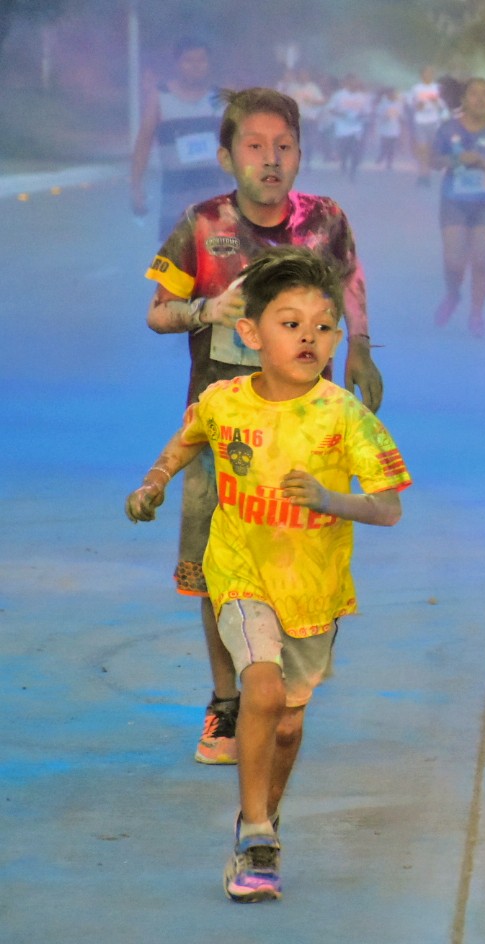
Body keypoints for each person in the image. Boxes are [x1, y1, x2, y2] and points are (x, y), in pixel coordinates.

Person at [126, 246, 411, 902]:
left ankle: (264, 813)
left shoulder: (344, 416)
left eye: (322, 324)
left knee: (286, 720)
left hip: (312, 591)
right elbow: (189, 437)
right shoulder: (223, 401)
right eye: (290, 322)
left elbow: (389, 507)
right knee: (258, 687)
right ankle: (256, 834)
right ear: (250, 333)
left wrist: (330, 500)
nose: (309, 336)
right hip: (240, 569)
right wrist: (154, 483)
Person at [143, 87, 384, 765]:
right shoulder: (200, 224)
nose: (271, 160)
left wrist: (360, 350)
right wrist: (204, 312)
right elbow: (157, 309)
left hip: (309, 433)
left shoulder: (326, 220)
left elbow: (351, 285)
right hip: (223, 433)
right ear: (227, 156)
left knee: (301, 556)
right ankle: (227, 703)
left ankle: (285, 691)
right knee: (221, 565)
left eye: (284, 147)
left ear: (300, 154)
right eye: (254, 146)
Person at [431, 77, 485, 336]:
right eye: (474, 94)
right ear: (464, 99)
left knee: (481, 259)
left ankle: (477, 314)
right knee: (454, 261)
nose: (479, 99)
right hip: (454, 202)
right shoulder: (448, 129)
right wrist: (459, 158)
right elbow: (434, 160)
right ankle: (453, 294)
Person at [130, 37, 229, 239]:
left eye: (201, 61)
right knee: (181, 265)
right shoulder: (160, 98)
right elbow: (143, 143)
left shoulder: (218, 99)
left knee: (220, 265)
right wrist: (136, 187)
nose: (196, 66)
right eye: (189, 61)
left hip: (217, 201)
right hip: (176, 204)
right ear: (177, 64)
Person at [326, 73, 372, 181]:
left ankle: (353, 171)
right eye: (351, 82)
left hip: (357, 128)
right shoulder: (339, 95)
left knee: (356, 150)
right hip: (342, 128)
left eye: (356, 83)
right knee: (344, 150)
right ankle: (343, 162)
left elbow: (367, 111)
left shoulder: (362, 97)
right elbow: (331, 109)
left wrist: (362, 115)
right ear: (347, 83)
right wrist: (341, 114)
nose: (354, 85)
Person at [408, 67, 447, 186]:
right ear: (421, 75)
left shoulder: (438, 88)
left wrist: (436, 102)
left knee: (430, 151)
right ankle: (422, 176)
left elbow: (443, 106)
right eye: (426, 73)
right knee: (422, 150)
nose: (428, 75)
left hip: (434, 122)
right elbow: (411, 104)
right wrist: (417, 105)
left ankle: (427, 175)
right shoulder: (416, 88)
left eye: (431, 73)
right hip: (420, 122)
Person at [373, 86, 405, 171]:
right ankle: (382, 155)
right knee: (385, 145)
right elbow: (378, 115)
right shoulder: (383, 104)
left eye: (394, 94)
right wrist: (384, 117)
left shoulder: (398, 104)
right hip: (384, 128)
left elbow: (401, 116)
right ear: (387, 95)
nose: (393, 95)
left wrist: (402, 128)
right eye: (391, 94)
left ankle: (389, 163)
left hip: (395, 128)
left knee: (392, 147)